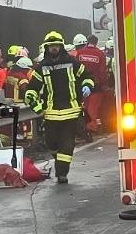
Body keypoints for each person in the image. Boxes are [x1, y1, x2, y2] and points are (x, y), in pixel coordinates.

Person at [31, 30, 95, 184]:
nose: (54, 48)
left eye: (56, 45)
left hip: (71, 112)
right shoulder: (42, 67)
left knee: (67, 144)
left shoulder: (72, 62)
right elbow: (32, 88)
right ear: (47, 47)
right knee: (51, 143)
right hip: (51, 113)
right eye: (51, 46)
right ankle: (60, 164)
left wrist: (87, 86)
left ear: (61, 46)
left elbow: (87, 76)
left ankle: (62, 173)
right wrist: (35, 104)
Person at [71, 31, 112, 127]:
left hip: (82, 84)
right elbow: (102, 71)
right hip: (96, 86)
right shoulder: (100, 54)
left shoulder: (80, 53)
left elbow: (75, 69)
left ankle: (85, 127)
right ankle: (92, 127)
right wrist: (104, 84)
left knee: (85, 106)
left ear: (87, 42)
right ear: (96, 43)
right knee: (93, 108)